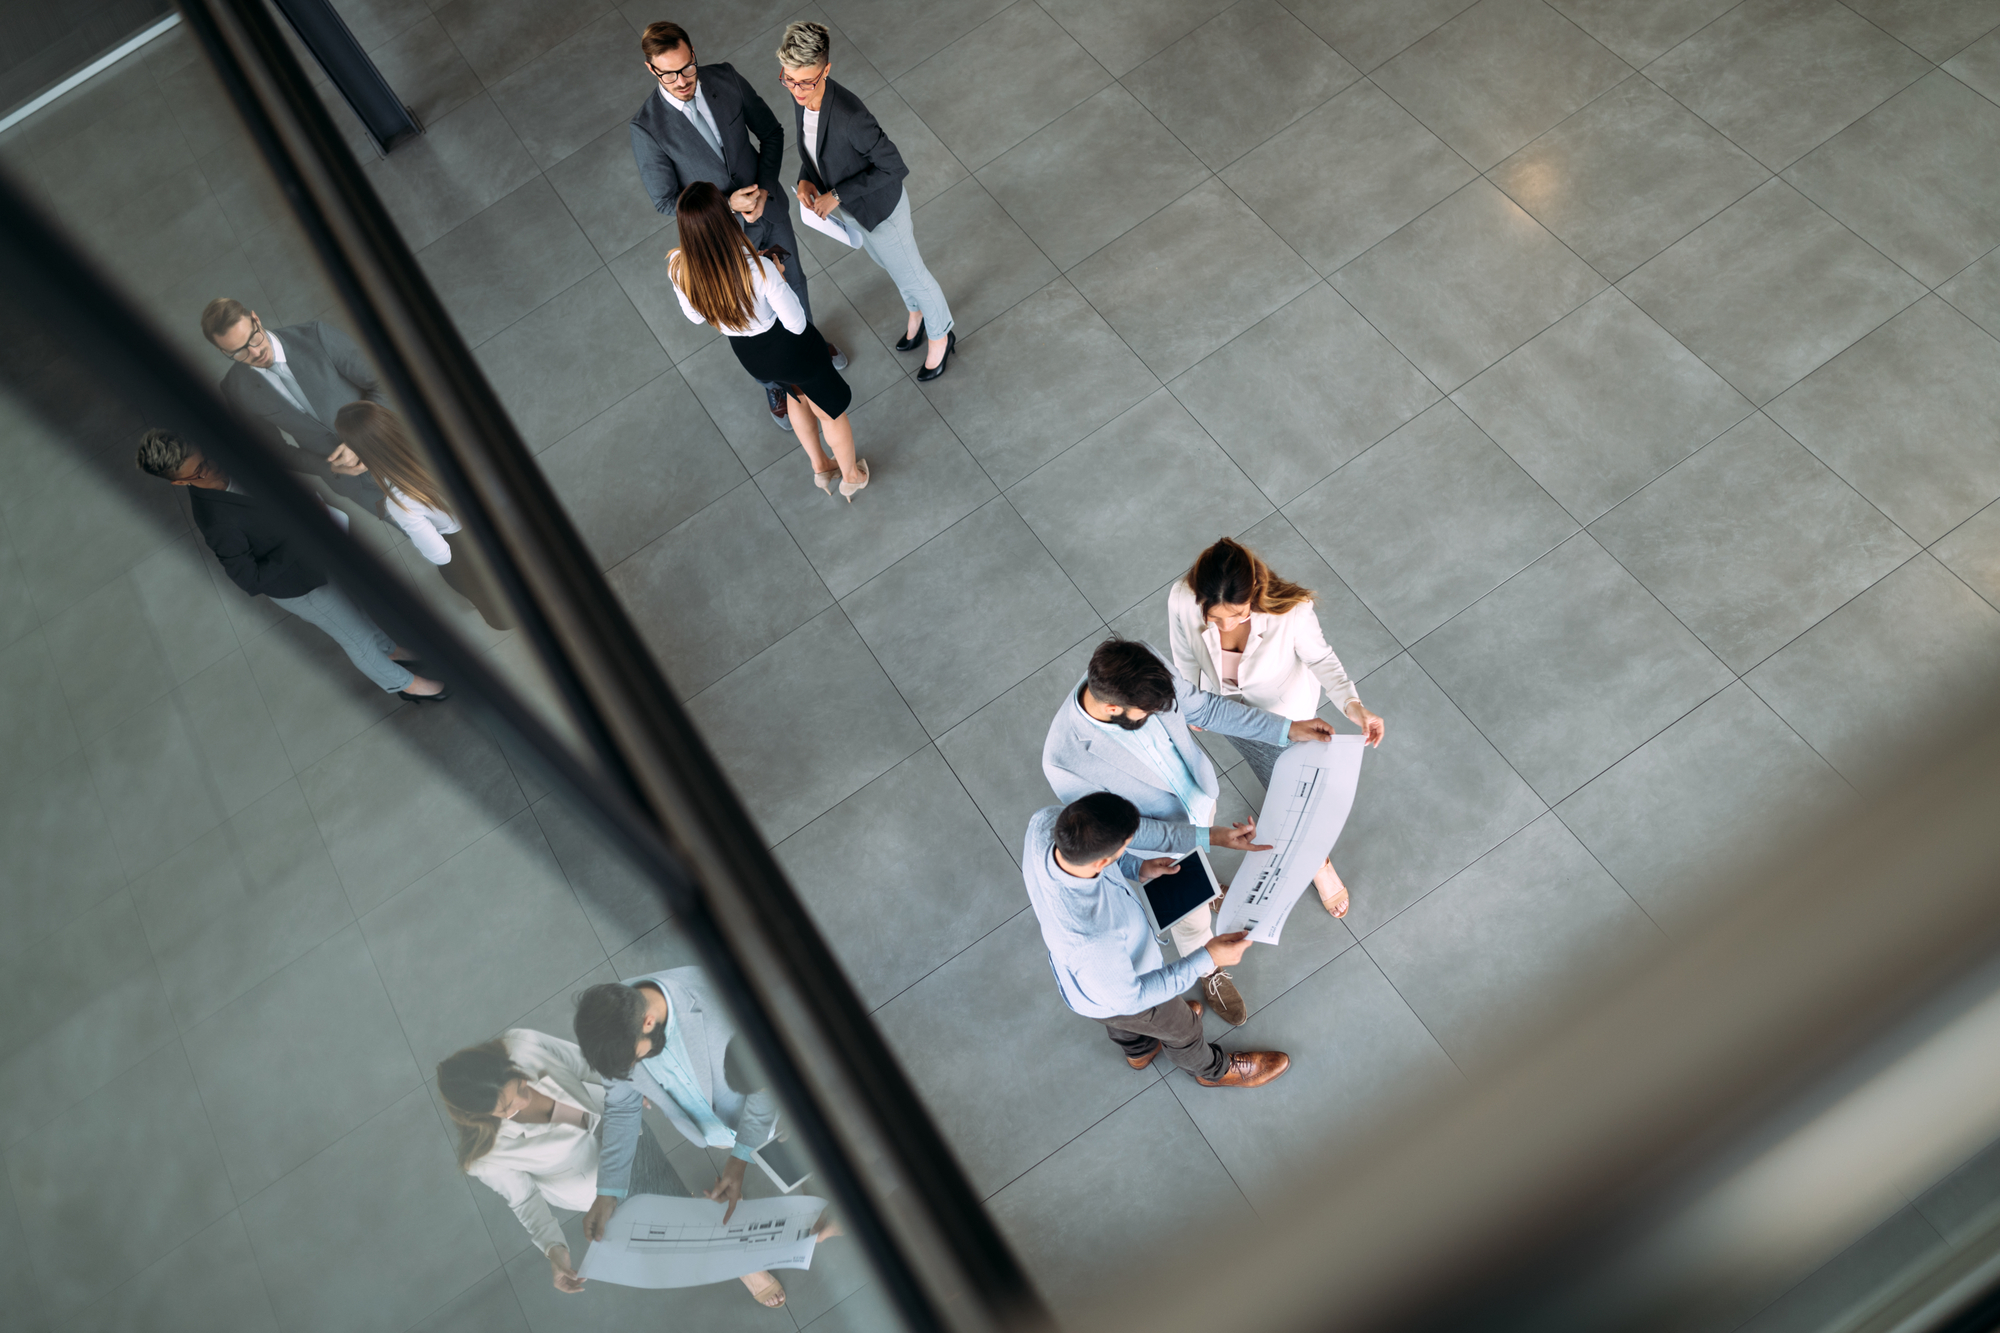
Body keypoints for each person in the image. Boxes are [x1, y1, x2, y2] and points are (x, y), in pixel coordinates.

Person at [1042, 638, 1335, 1026]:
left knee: (1204, 880)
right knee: (1191, 921)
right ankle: (1207, 969)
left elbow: (1206, 708)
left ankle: (1210, 890)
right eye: (1147, 713)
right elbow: (1130, 830)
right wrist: (1207, 838)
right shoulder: (1064, 760)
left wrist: (1287, 729)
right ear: (1113, 709)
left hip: (1199, 800)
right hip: (1159, 850)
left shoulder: (1144, 665)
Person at [629, 19, 843, 433]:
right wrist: (728, 203)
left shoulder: (724, 78)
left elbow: (772, 132)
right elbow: (662, 199)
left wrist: (763, 190)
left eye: (688, 67)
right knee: (744, 312)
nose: (682, 80)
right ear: (651, 70)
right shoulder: (647, 127)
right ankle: (775, 383)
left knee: (793, 283)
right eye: (670, 73)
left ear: (694, 55)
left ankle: (809, 350)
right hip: (719, 240)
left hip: (771, 212)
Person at [573, 967, 826, 1309]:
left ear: (648, 1022)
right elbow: (621, 1106)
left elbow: (764, 1082)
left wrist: (739, 1161)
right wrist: (608, 1192)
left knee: (812, 1157)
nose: (635, 1069)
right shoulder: (613, 1034)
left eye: (637, 1059)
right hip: (713, 1128)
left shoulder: (721, 996)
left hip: (776, 1107)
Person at [134, 429, 448, 701]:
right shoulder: (215, 522)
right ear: (179, 483)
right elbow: (249, 580)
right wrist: (300, 539)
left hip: (318, 556)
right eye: (198, 472)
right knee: (354, 637)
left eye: (204, 459)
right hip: (301, 586)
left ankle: (391, 650)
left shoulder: (222, 457)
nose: (211, 468)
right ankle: (407, 686)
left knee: (357, 608)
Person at [1168, 537, 1387, 919]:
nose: (1225, 625)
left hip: (1288, 720)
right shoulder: (1182, 599)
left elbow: (1321, 658)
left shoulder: (1293, 612)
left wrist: (1355, 706)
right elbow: (1185, 651)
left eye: (1236, 615)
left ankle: (1319, 864)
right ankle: (1312, 850)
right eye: (1214, 618)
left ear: (1253, 592)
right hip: (1230, 715)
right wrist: (1191, 701)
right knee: (1276, 781)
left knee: (1299, 793)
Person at [1024, 792, 1290, 1087]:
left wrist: (1135, 866)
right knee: (1183, 1028)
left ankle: (1140, 1051)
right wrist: (1208, 957)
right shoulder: (1091, 940)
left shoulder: (1046, 823)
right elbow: (1133, 998)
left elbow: (1116, 845)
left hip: (1096, 987)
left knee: (1120, 1021)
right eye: (1125, 846)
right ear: (1102, 861)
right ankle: (1213, 1071)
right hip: (1126, 989)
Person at [436, 1029, 693, 1295]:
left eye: (522, 1085)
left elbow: (585, 1065)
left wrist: (625, 1087)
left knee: (673, 1192)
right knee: (656, 1229)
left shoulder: (524, 1046)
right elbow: (524, 1200)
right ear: (480, 1115)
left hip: (621, 1130)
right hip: (593, 1189)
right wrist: (554, 1249)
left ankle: (698, 1217)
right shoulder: (485, 1155)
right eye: (508, 1108)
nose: (524, 1101)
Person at [776, 21, 956, 381]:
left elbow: (893, 166)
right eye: (788, 78)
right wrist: (805, 179)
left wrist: (836, 195)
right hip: (857, 212)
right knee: (892, 266)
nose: (796, 89)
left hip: (882, 211)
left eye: (805, 81)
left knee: (914, 275)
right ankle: (916, 315)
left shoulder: (850, 117)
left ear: (826, 70)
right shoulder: (803, 96)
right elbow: (816, 150)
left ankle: (941, 335)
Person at [668, 181, 869, 500]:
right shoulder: (757, 268)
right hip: (789, 346)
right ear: (724, 219)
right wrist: (779, 276)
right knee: (829, 410)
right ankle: (851, 476)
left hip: (750, 354)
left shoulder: (679, 267)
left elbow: (695, 317)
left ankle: (821, 468)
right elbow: (796, 323)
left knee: (796, 395)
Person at [333, 401, 515, 631]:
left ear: (362, 453)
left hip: (463, 548)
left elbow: (441, 555)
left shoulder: (400, 501)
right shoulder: (438, 433)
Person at [202, 298, 386, 509]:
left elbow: (384, 384)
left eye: (253, 338)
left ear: (256, 319)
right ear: (223, 352)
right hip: (359, 488)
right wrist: (331, 468)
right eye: (238, 351)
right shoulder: (235, 389)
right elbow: (273, 451)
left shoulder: (317, 336)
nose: (254, 352)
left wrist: (362, 440)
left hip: (394, 448)